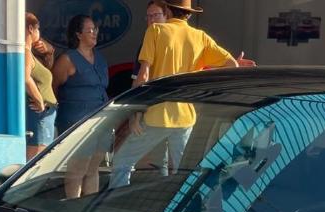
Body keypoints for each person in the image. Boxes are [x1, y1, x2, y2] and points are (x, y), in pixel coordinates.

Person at [109, 0, 255, 189]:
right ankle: (185, 205)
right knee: (185, 173)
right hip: (185, 117)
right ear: (189, 14)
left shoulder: (156, 31)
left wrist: (135, 112)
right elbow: (232, 66)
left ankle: (113, 201)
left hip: (157, 114)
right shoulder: (200, 37)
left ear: (167, 10)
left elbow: (143, 76)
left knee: (122, 162)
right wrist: (199, 73)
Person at [52, 15, 110, 198]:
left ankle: (87, 207)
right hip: (76, 121)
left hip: (100, 120)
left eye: (95, 29)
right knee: (77, 169)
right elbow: (53, 87)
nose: (94, 33)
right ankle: (72, 206)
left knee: (93, 168)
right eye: (90, 30)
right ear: (78, 34)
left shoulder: (99, 57)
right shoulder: (67, 59)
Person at [24, 13, 57, 160]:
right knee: (37, 161)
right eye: (38, 29)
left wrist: (49, 51)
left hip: (45, 116)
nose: (39, 33)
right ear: (31, 29)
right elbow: (25, 78)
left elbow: (47, 66)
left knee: (42, 159)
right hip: (40, 115)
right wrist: (39, 100)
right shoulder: (26, 53)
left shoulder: (31, 53)